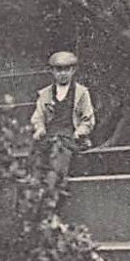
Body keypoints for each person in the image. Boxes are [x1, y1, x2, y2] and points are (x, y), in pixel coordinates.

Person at [29, 50, 95, 193]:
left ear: (73, 70)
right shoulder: (45, 94)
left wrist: (80, 132)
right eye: (58, 70)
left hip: (70, 136)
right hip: (49, 135)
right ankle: (35, 192)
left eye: (67, 69)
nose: (63, 73)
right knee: (38, 156)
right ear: (52, 71)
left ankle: (54, 191)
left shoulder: (81, 93)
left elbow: (87, 119)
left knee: (59, 152)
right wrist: (39, 128)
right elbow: (38, 116)